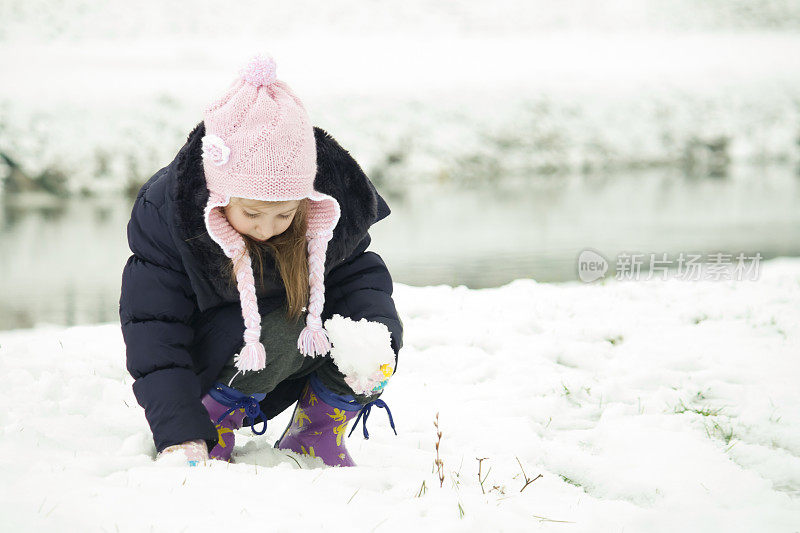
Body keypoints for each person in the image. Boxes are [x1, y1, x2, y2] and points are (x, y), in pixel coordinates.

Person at [119, 54, 403, 467]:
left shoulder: (325, 216)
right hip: (211, 362)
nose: (268, 229)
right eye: (252, 214)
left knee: (365, 339)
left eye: (285, 215)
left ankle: (316, 433)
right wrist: (182, 431)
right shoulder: (170, 218)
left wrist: (380, 338)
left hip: (276, 353)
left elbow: (360, 281)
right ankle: (216, 422)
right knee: (288, 329)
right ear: (219, 195)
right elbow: (154, 334)